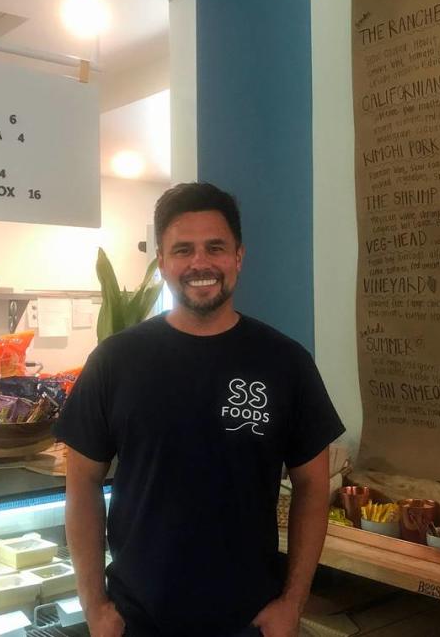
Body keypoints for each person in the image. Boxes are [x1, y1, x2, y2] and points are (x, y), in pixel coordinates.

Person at [57, 182, 345, 637]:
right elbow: (81, 483)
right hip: (139, 621)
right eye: (183, 249)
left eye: (215, 247)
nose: (200, 263)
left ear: (239, 256)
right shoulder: (115, 361)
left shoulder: (285, 362)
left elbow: (312, 486)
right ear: (163, 262)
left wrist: (293, 602)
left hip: (249, 622)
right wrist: (95, 606)